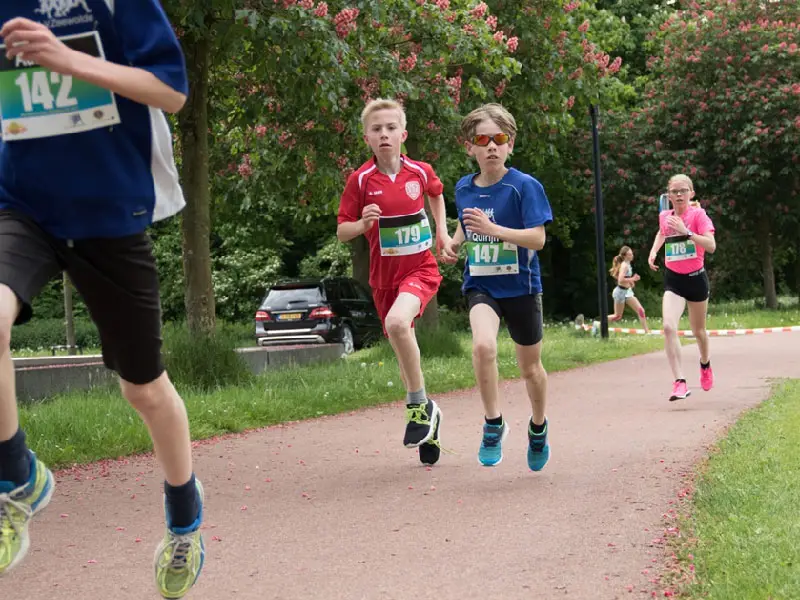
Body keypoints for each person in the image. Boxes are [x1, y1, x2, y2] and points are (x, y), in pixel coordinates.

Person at [0, 4, 204, 597]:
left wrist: (69, 61)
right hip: (22, 206)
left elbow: (170, 92)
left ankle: (185, 515)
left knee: (142, 388)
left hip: (109, 213)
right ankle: (16, 478)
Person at [337, 99, 452, 465]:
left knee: (397, 323)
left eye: (390, 128)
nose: (384, 134)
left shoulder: (419, 171)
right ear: (367, 138)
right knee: (404, 350)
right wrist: (363, 224)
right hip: (383, 280)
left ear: (403, 134)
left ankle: (418, 406)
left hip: (420, 269)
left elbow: (436, 193)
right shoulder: (359, 180)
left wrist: (442, 234)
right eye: (376, 129)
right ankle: (429, 418)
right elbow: (342, 231)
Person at [442, 104, 552, 470]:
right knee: (483, 346)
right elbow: (467, 223)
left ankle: (538, 428)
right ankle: (493, 422)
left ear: (510, 145)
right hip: (482, 285)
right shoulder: (463, 187)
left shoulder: (524, 187)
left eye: (500, 139)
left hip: (521, 286)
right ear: (469, 147)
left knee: (529, 370)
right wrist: (455, 244)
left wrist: (495, 232)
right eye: (482, 139)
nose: (492, 146)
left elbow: (537, 239)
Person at [648, 174, 716, 401]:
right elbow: (662, 232)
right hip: (674, 280)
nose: (678, 195)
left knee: (699, 332)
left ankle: (705, 364)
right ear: (668, 196)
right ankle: (679, 382)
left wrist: (687, 232)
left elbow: (712, 245)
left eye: (683, 191)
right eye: (674, 191)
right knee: (668, 327)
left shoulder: (698, 215)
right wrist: (654, 251)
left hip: (696, 279)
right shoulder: (664, 216)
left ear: (691, 194)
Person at [608, 246, 649, 332]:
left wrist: (631, 282)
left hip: (627, 292)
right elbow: (620, 280)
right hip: (620, 292)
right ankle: (598, 324)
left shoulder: (628, 264)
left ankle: (647, 332)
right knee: (617, 316)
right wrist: (633, 279)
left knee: (641, 310)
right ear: (625, 256)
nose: (632, 256)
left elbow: (624, 277)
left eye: (632, 254)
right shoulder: (624, 265)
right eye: (629, 254)